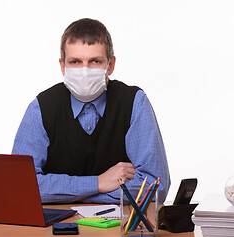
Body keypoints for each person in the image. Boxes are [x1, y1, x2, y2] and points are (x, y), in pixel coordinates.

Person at [12, 18, 170, 204]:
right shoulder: (41, 108)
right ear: (63, 66)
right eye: (75, 62)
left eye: (95, 61)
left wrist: (66, 194)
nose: (84, 71)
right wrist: (98, 183)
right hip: (54, 229)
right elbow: (20, 185)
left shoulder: (134, 102)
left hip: (117, 228)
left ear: (110, 65)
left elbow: (154, 186)